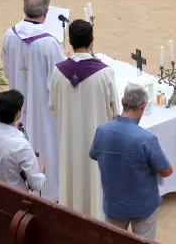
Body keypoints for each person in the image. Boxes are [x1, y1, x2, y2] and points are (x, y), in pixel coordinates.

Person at [48, 18, 118, 220]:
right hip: (97, 142)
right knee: (95, 184)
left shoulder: (58, 71)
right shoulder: (105, 73)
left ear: (69, 41)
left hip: (69, 142)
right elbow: (115, 111)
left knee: (71, 183)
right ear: (92, 40)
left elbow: (53, 107)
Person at [0, 0, 63, 200]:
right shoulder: (49, 43)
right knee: (47, 145)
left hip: (18, 104)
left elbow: (7, 69)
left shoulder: (9, 35)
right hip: (43, 108)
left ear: (23, 8)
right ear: (46, 13)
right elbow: (57, 82)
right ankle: (50, 192)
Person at [88, 85, 172, 239]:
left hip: (114, 204)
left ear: (122, 101)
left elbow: (94, 154)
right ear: (143, 106)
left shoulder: (102, 130)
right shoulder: (146, 138)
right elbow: (166, 171)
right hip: (143, 206)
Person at [0, 89, 46, 195]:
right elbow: (36, 185)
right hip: (15, 201)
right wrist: (41, 168)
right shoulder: (21, 146)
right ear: (18, 114)